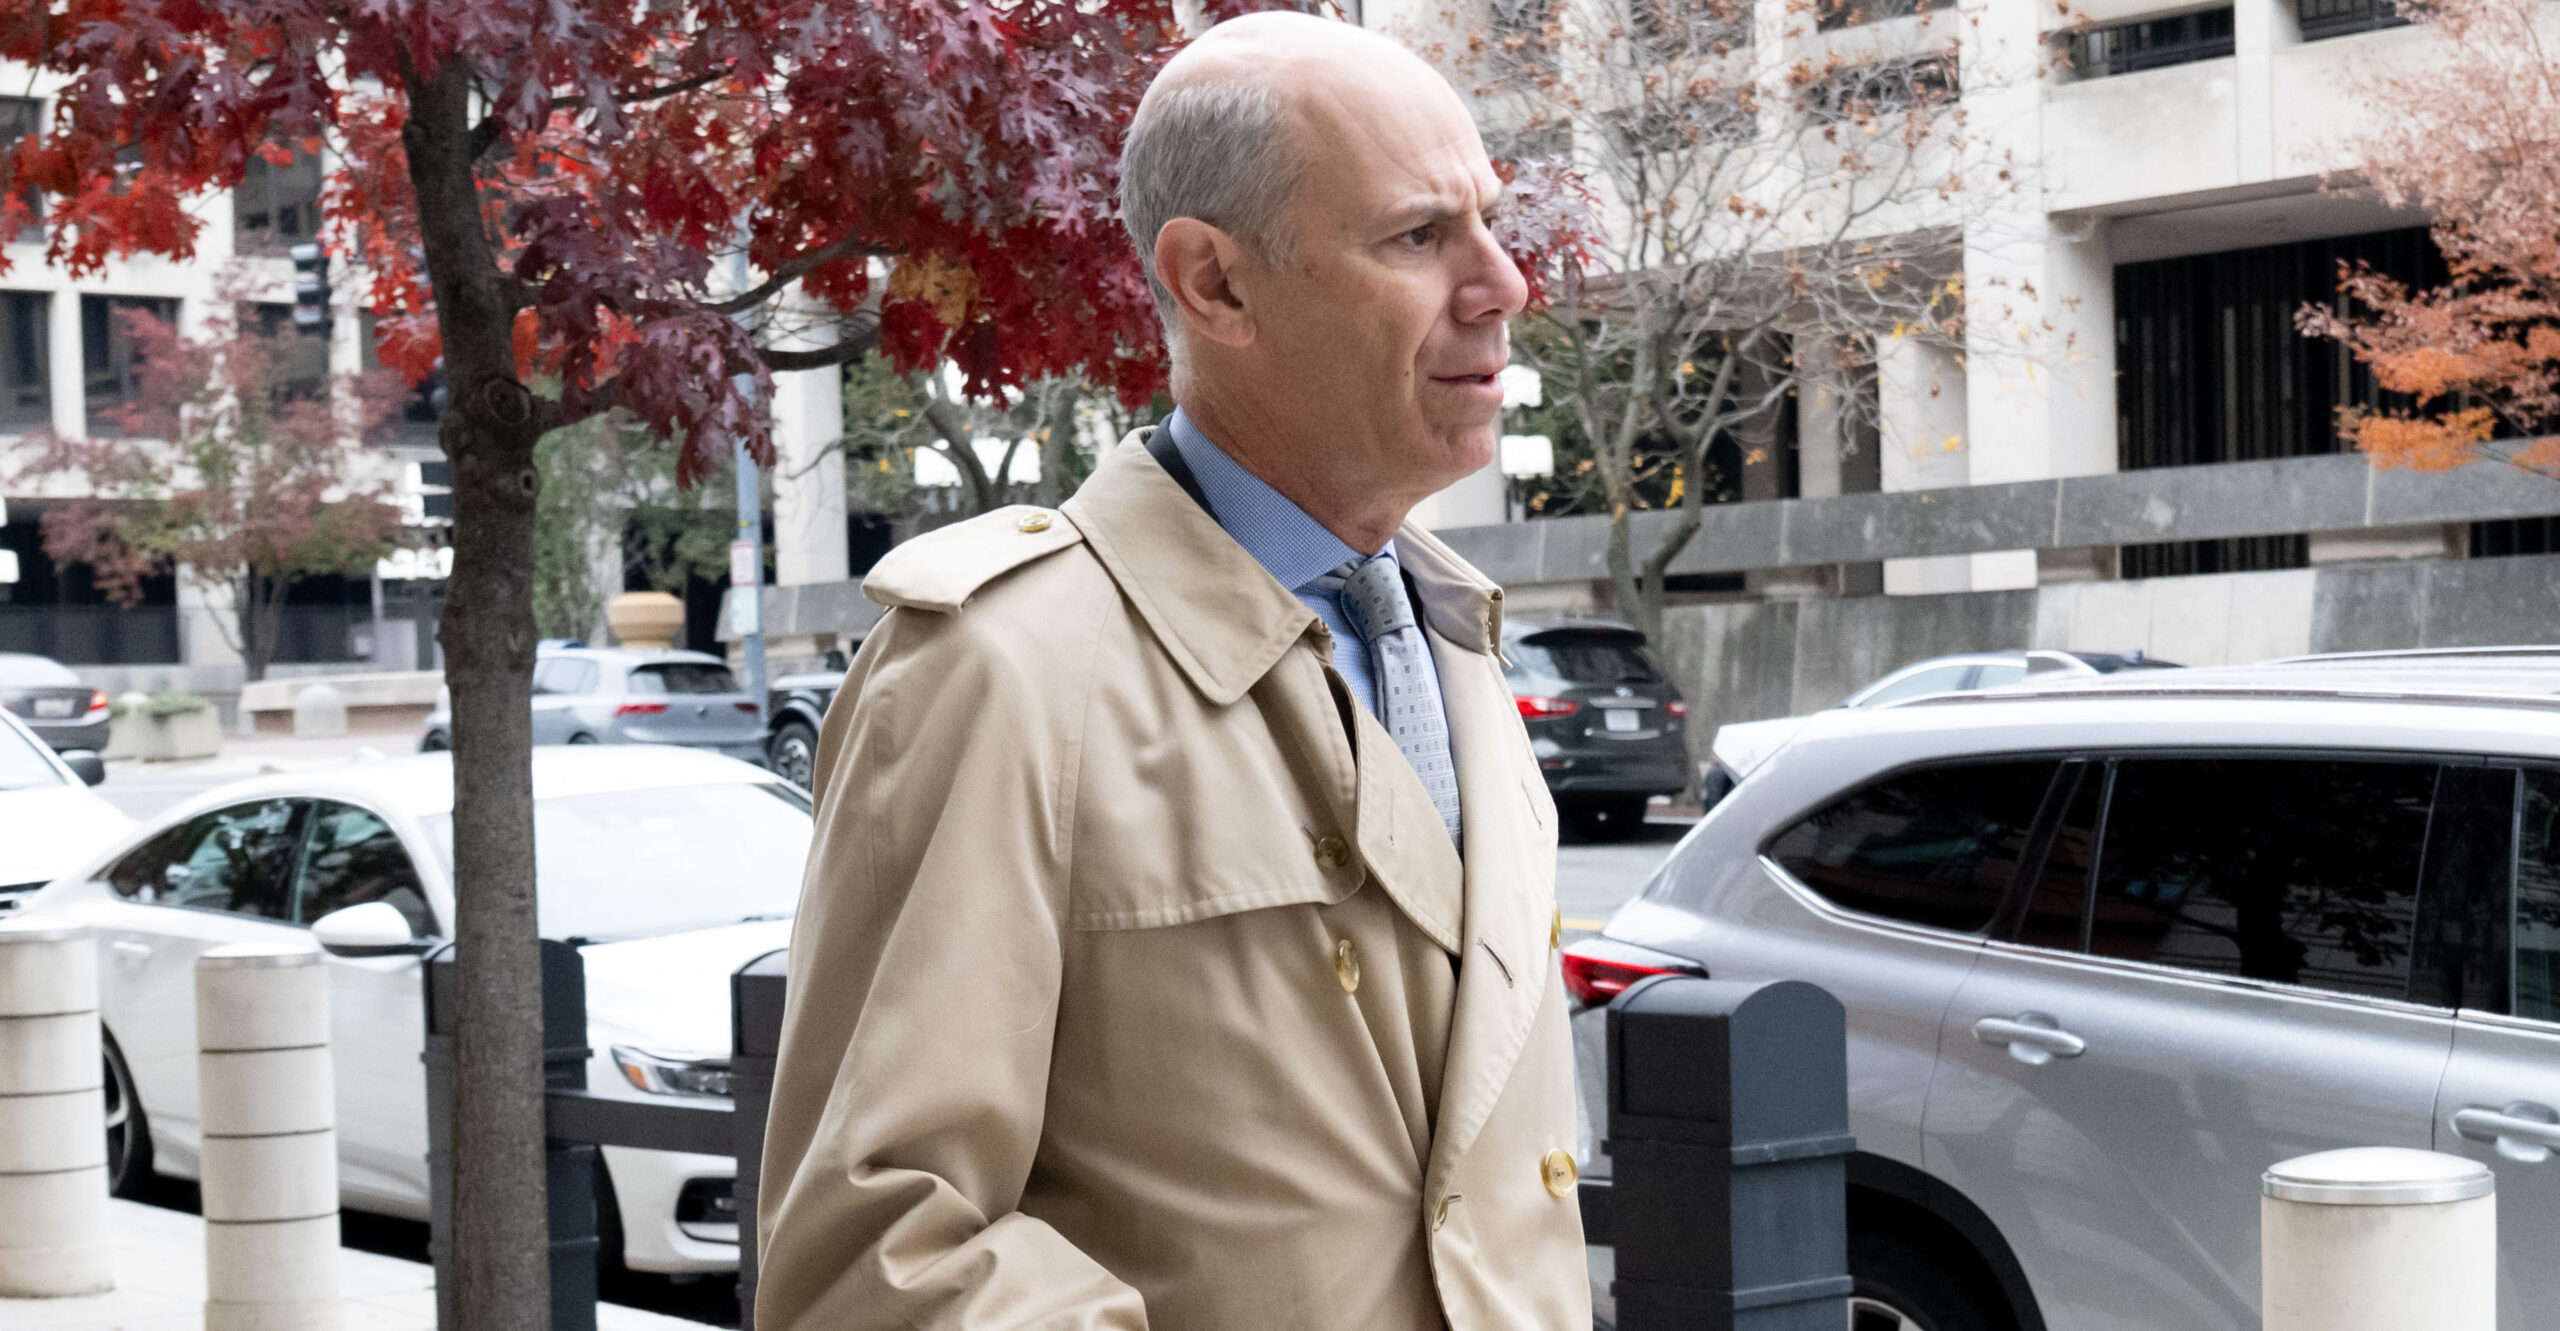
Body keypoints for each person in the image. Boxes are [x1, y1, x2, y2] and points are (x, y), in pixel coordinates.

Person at [755, 12, 1589, 1328]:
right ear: (1214, 284)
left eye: (1490, 221)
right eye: (1419, 236)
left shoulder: (1446, 632)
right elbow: (879, 1259)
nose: (1502, 283)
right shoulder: (998, 670)